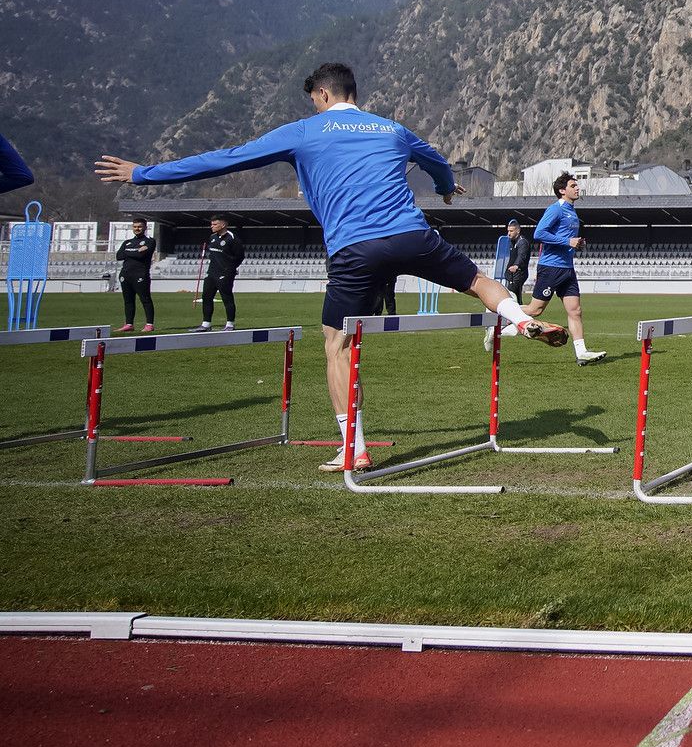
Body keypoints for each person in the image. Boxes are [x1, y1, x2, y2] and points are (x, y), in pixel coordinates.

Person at [96, 61, 566, 472]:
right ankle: (522, 320)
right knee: (480, 280)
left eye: (314, 101)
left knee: (337, 343)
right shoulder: (391, 129)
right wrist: (444, 188)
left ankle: (353, 449)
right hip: (411, 234)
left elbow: (225, 159)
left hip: (355, 249)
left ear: (323, 95)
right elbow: (437, 162)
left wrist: (143, 174)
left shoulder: (303, 131)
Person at [525, 173, 605, 365]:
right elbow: (539, 233)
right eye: (573, 185)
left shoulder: (572, 211)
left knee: (575, 311)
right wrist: (567, 241)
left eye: (577, 185)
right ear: (562, 190)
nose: (577, 188)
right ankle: (500, 314)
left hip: (567, 269)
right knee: (535, 310)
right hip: (551, 267)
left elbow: (565, 239)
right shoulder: (556, 209)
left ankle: (582, 353)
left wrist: (576, 244)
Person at [485, 217, 534, 349]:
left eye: (511, 231)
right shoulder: (514, 241)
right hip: (512, 273)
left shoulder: (522, 242)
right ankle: (519, 321)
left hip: (518, 273)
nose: (509, 233)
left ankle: (503, 324)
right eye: (508, 231)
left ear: (518, 231)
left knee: (510, 297)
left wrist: (516, 266)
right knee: (515, 298)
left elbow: (522, 256)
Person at [196, 215, 244, 331]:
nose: (212, 226)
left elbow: (240, 256)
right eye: (211, 224)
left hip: (225, 273)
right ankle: (206, 324)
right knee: (206, 297)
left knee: (227, 298)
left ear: (223, 225)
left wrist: (230, 269)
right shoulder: (212, 237)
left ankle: (230, 324)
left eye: (215, 224)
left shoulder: (232, 239)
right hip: (212, 273)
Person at [112, 218, 156, 333]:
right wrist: (136, 251)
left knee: (145, 299)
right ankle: (129, 324)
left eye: (140, 226)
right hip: (126, 274)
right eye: (135, 226)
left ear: (145, 227)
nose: (137, 229)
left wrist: (130, 252)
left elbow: (141, 256)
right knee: (128, 300)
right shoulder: (127, 242)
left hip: (140, 274)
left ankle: (149, 324)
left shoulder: (150, 241)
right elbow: (119, 256)